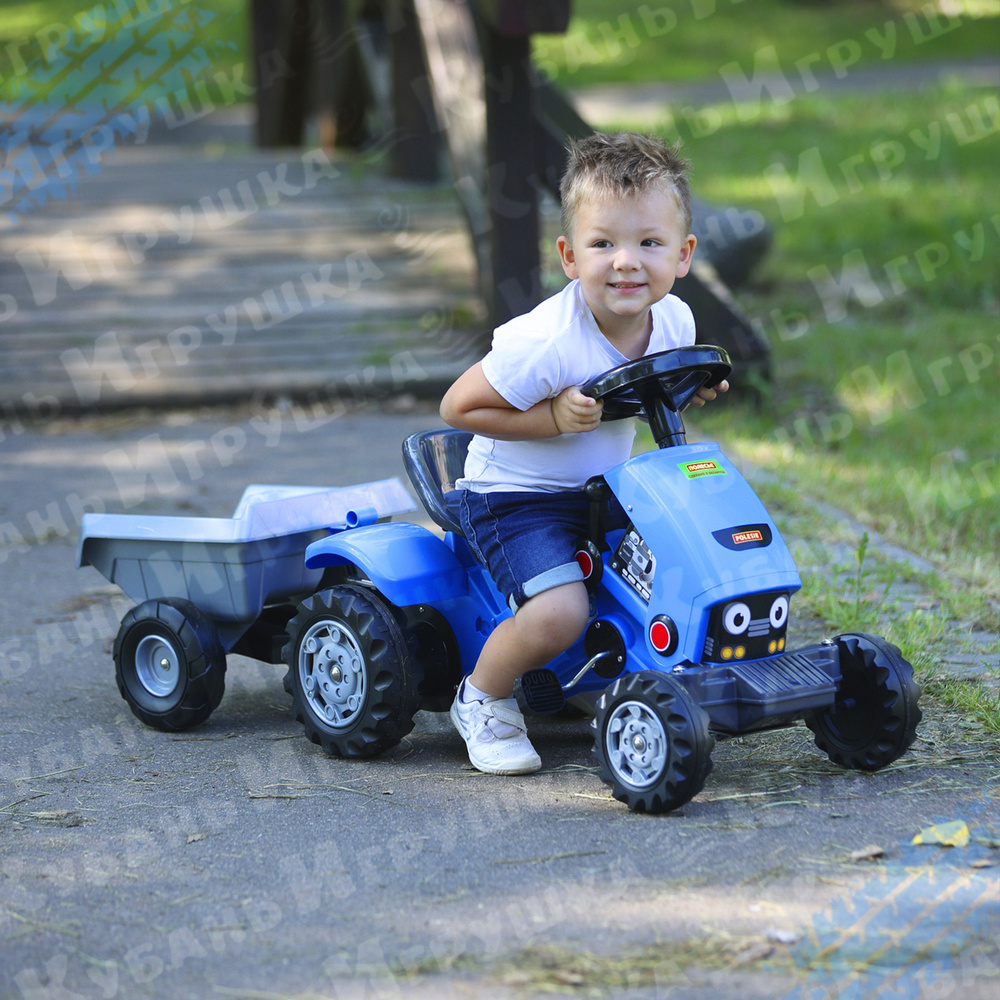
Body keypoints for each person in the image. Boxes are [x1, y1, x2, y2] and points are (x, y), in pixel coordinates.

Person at [439, 131, 728, 775]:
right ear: (570, 257)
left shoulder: (673, 321)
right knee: (560, 610)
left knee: (683, 559)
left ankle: (664, 672)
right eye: (604, 244)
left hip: (603, 492)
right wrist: (551, 416)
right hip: (515, 500)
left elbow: (657, 389)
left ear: (683, 255)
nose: (626, 262)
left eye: (648, 243)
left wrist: (693, 389)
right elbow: (457, 408)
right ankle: (482, 698)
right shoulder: (545, 342)